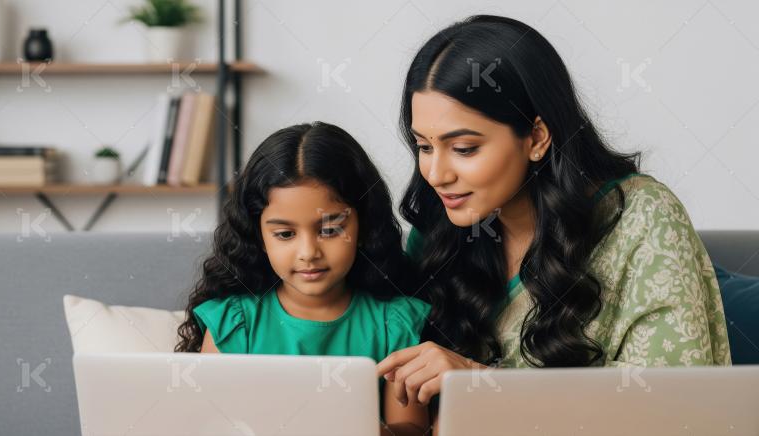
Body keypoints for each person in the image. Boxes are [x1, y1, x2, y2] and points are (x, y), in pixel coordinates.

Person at [376, 15, 731, 429]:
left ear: (537, 137)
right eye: (423, 146)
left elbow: (677, 412)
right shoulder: (443, 227)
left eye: (464, 148)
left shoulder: (643, 217)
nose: (436, 174)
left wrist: (482, 387)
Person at [176, 122, 430, 435]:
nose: (308, 252)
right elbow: (207, 424)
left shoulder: (396, 324)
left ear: (363, 228)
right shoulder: (234, 324)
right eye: (285, 234)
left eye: (329, 230)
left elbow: (411, 429)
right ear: (259, 237)